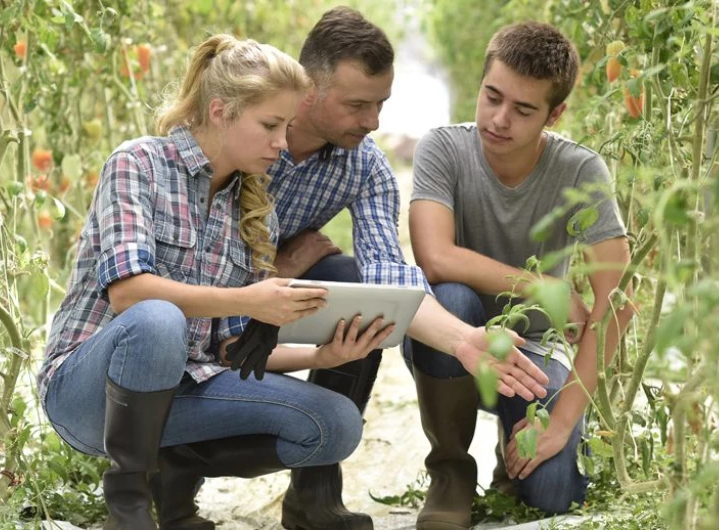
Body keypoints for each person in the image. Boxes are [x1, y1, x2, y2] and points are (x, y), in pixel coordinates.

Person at [151, 8, 553, 530]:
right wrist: (272, 269)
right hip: (188, 306)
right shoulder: (230, 131)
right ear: (309, 91)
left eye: (381, 104)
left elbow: (389, 272)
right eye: (358, 105)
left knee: (355, 286)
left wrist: (461, 340)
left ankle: (314, 497)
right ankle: (166, 479)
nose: (373, 122)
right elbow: (177, 252)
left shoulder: (364, 165)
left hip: (258, 302)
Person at [37, 35, 396, 530]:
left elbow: (230, 351)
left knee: (335, 424)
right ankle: (130, 508)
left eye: (287, 127)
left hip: (183, 394)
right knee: (157, 317)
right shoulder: (137, 164)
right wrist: (250, 299)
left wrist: (323, 357)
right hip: (91, 396)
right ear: (221, 111)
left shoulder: (254, 213)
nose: (282, 143)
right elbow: (128, 293)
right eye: (270, 125)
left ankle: (176, 465)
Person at [404, 21, 634, 527]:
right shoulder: (444, 149)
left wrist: (567, 414)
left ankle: (512, 456)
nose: (499, 119)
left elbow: (616, 303)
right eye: (492, 97)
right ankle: (451, 471)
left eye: (523, 109)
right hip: (453, 340)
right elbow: (435, 257)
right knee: (451, 293)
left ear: (555, 114)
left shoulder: (580, 171)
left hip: (532, 351)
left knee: (555, 494)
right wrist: (544, 287)